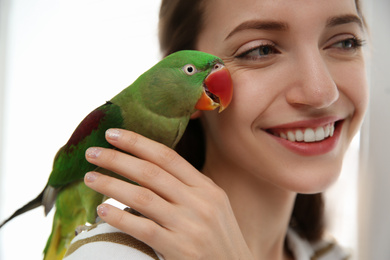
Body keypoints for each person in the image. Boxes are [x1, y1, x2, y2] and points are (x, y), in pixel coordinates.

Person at [64, 0, 368, 259]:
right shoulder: (110, 254)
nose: (321, 92)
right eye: (260, 50)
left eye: (346, 42)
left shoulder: (329, 255)